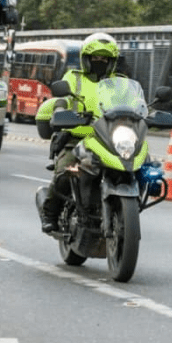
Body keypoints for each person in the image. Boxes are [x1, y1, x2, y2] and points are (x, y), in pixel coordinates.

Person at [38, 32, 124, 233]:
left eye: (104, 59)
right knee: (65, 172)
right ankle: (49, 213)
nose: (99, 62)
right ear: (86, 59)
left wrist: (149, 113)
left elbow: (135, 105)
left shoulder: (120, 83)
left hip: (110, 141)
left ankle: (123, 209)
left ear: (112, 61)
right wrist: (60, 110)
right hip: (76, 140)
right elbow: (62, 99)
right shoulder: (74, 78)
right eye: (95, 58)